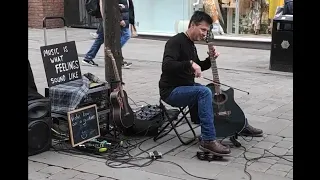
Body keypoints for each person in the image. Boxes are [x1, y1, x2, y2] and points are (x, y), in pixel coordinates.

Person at [159, 11, 263, 156]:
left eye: (207, 31)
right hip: (171, 91)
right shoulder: (175, 42)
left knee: (211, 90)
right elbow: (167, 65)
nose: (204, 34)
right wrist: (189, 64)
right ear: (192, 25)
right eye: (203, 29)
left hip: (186, 87)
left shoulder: (190, 44)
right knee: (204, 92)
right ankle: (208, 140)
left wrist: (210, 60)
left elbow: (199, 65)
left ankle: (238, 125)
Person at [83, 0, 132, 68]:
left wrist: (131, 21)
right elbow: (109, 6)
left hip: (113, 20)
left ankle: (88, 57)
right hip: (112, 20)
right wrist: (120, 19)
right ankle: (114, 54)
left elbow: (129, 7)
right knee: (125, 35)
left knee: (101, 39)